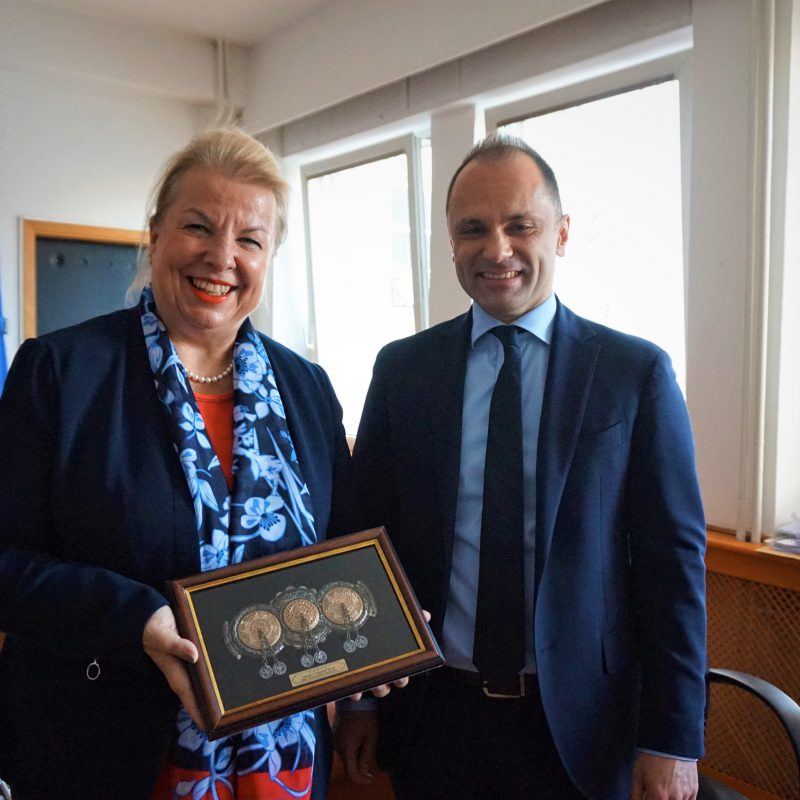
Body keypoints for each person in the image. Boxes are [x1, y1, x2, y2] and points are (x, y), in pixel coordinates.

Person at [334, 134, 707, 800]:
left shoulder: (634, 374)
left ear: (560, 233)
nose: (497, 249)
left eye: (520, 226)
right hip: (434, 716)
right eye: (473, 229)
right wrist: (361, 699)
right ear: (452, 243)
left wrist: (673, 736)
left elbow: (672, 565)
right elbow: (365, 541)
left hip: (584, 726)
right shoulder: (403, 371)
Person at [0, 128, 356, 799]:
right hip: (103, 752)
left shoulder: (306, 387)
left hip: (283, 763)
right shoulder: (61, 372)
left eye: (250, 239)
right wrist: (137, 617)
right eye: (198, 227)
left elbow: (344, 547)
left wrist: (383, 622)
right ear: (156, 233)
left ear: (269, 256)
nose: (222, 257)